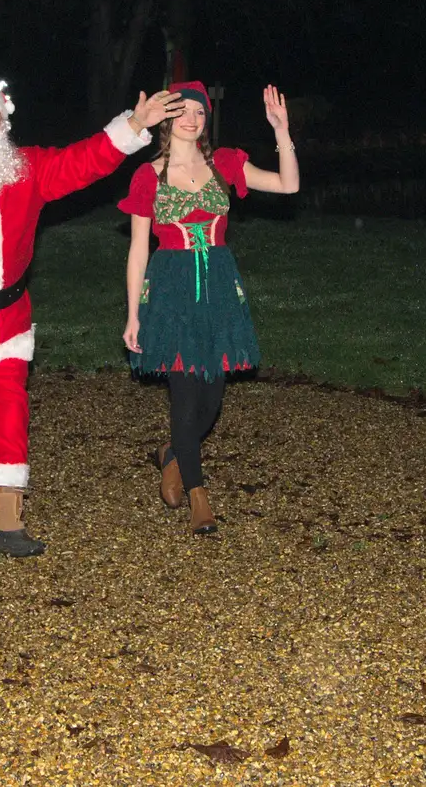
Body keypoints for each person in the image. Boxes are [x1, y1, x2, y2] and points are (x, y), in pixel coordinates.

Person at [0, 75, 183, 556]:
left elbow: (85, 161)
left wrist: (135, 124)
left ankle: (7, 520)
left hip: (7, 323)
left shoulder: (28, 169)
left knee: (8, 417)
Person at [120, 82, 300, 534]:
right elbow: (138, 251)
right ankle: (200, 497)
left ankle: (173, 454)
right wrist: (133, 314)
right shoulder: (149, 176)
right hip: (171, 289)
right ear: (166, 118)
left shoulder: (224, 164)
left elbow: (288, 184)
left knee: (211, 400)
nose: (192, 118)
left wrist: (281, 132)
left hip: (219, 286)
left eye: (199, 111)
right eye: (182, 110)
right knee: (184, 397)